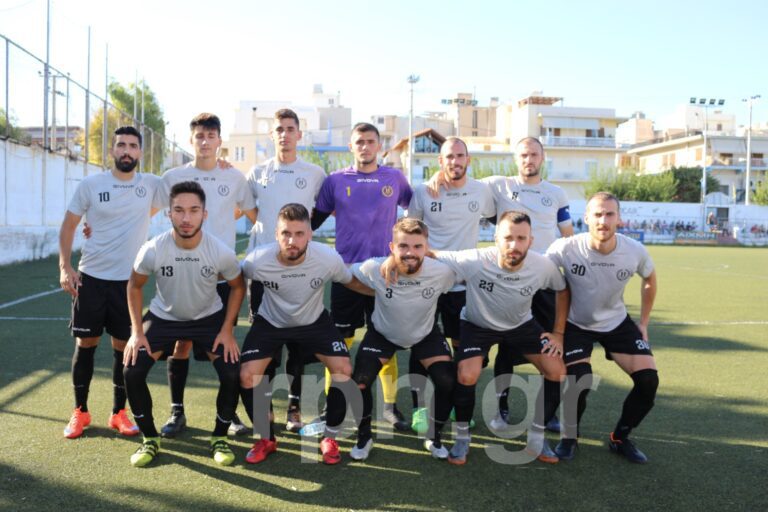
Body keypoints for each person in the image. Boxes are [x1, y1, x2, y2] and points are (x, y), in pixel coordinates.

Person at [429, 211, 568, 465]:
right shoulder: (476, 259)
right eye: (508, 238)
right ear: (496, 238)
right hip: (477, 324)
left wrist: (558, 332)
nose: (514, 245)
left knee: (556, 371)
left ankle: (537, 437)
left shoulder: (542, 265)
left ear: (531, 240)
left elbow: (562, 289)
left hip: (521, 325)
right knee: (466, 374)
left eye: (521, 238)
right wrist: (395, 258)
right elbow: (432, 253)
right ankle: (462, 438)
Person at [123, 181, 245, 467]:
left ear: (204, 214)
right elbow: (134, 285)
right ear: (169, 214)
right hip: (164, 317)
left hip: (208, 319)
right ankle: (150, 438)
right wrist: (136, 332)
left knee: (231, 371)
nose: (186, 218)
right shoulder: (153, 249)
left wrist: (228, 329)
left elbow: (238, 286)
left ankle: (219, 437)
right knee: (132, 370)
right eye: (178, 210)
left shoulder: (220, 251)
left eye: (193, 210)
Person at [157, 113, 256, 437]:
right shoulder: (173, 176)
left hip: (221, 278)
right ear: (191, 140)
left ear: (219, 141)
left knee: (224, 346)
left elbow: (257, 215)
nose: (205, 141)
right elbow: (143, 212)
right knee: (181, 345)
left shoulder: (234, 177)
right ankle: (177, 411)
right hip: (182, 275)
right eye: (199, 136)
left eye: (211, 136)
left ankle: (228, 414)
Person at [239, 203, 362, 465]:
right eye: (286, 233)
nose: (292, 241)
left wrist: (384, 288)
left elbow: (350, 280)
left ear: (310, 235)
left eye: (299, 234)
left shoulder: (327, 258)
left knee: (343, 368)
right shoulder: (256, 260)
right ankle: (266, 438)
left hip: (313, 321)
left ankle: (330, 437)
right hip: (271, 321)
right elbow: (233, 280)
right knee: (248, 375)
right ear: (276, 234)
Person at [58, 126, 160, 439]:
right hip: (91, 277)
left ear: (140, 152)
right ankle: (80, 411)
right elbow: (69, 225)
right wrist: (65, 267)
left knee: (122, 349)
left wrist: (220, 162)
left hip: (128, 284)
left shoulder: (151, 184)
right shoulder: (91, 185)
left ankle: (119, 413)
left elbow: (189, 179)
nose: (127, 151)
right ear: (112, 150)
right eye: (121, 145)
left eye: (133, 146)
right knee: (85, 345)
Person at [312, 122, 412, 430]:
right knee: (338, 343)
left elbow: (416, 208)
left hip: (385, 274)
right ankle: (333, 404)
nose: (365, 146)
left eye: (371, 141)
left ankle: (391, 406)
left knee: (385, 338)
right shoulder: (335, 180)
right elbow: (312, 222)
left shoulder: (394, 178)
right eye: (359, 141)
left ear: (379, 146)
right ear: (351, 147)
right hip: (346, 275)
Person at [546, 192, 659, 463]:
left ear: (619, 219)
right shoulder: (566, 248)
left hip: (616, 322)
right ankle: (569, 438)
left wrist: (643, 323)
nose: (603, 221)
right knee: (579, 380)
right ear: (586, 218)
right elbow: (536, 270)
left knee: (648, 381)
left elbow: (649, 278)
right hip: (576, 324)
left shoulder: (634, 250)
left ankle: (620, 438)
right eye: (597, 214)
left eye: (610, 214)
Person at [244, 108, 327, 433]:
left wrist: (302, 237)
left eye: (290, 129)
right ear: (272, 135)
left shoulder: (315, 173)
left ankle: (294, 408)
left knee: (298, 344)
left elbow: (324, 207)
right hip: (264, 271)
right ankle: (264, 410)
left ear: (299, 135)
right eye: (279, 129)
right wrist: (270, 235)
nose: (285, 134)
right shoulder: (257, 172)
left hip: (301, 269)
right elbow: (248, 208)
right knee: (265, 344)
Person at [406, 136, 494, 433]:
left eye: (460, 155)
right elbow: (409, 231)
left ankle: (458, 403)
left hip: (463, 285)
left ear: (468, 159)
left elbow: (502, 216)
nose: (455, 161)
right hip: (427, 282)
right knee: (420, 342)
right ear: (440, 161)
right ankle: (419, 409)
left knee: (462, 348)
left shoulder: (482, 191)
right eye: (449, 157)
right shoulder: (423, 191)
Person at [349, 218, 456, 461]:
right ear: (392, 247)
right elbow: (344, 275)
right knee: (360, 381)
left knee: (448, 381)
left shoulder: (442, 272)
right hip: (383, 333)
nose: (410, 253)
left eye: (417, 246)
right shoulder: (374, 268)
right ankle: (364, 438)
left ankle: (434, 436)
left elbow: (465, 277)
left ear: (426, 247)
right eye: (403, 246)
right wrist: (374, 289)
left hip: (424, 334)